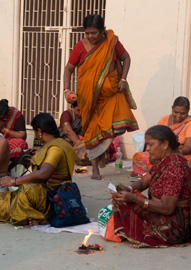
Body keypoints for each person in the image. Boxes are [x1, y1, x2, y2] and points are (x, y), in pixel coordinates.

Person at [63, 14, 138, 180]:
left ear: (102, 31)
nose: (90, 36)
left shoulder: (111, 42)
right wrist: (67, 90)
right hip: (89, 99)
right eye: (87, 33)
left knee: (118, 127)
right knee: (92, 133)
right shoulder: (80, 47)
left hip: (111, 94)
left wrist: (123, 79)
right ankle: (95, 168)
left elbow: (126, 58)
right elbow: (69, 68)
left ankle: (104, 151)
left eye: (94, 33)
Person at [112, 125, 191, 248]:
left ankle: (146, 234)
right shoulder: (163, 160)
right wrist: (129, 189)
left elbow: (167, 208)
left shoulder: (175, 168)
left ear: (165, 144)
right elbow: (144, 181)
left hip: (174, 226)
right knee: (120, 197)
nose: (147, 149)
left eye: (151, 144)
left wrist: (134, 198)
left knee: (124, 203)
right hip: (161, 212)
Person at [0, 113, 76, 226]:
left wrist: (14, 180)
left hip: (48, 197)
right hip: (55, 193)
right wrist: (41, 152)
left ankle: (33, 215)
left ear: (39, 131)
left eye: (34, 132)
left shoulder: (55, 149)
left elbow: (44, 174)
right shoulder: (63, 144)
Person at [133, 96, 191, 174]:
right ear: (172, 108)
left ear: (188, 111)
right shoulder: (164, 119)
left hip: (182, 154)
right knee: (137, 157)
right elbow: (154, 139)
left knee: (177, 163)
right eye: (176, 112)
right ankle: (152, 174)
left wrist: (174, 152)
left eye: (182, 113)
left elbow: (188, 147)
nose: (178, 115)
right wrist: (153, 153)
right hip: (162, 152)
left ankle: (157, 173)